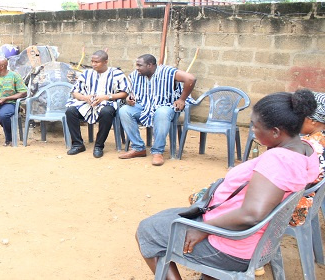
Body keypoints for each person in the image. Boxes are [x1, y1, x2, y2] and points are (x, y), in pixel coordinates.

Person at [136, 89, 319, 279]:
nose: (253, 132)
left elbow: (251, 215)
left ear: (275, 132)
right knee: (169, 217)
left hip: (233, 246)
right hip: (251, 238)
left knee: (148, 230)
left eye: (256, 127)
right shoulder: (305, 149)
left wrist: (202, 229)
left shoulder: (279, 160)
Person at [118, 54, 196, 166]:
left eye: (140, 65)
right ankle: (138, 148)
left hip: (165, 106)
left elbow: (191, 79)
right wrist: (129, 99)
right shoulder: (136, 75)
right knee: (124, 110)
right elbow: (130, 93)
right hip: (144, 107)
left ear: (150, 65)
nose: (137, 68)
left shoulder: (168, 72)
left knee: (162, 112)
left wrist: (182, 99)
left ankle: (157, 151)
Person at [65, 50, 128, 158]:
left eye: (96, 62)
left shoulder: (116, 74)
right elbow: (75, 92)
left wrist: (106, 97)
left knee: (107, 112)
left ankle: (99, 146)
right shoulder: (86, 73)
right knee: (70, 111)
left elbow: (125, 93)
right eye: (92, 61)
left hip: (107, 104)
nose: (93, 64)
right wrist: (85, 97)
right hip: (87, 104)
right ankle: (78, 144)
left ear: (105, 62)